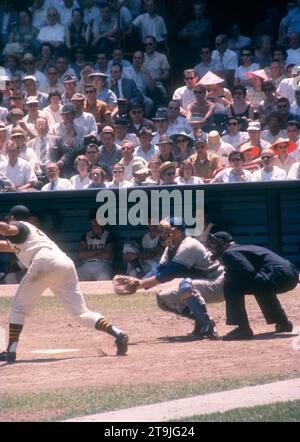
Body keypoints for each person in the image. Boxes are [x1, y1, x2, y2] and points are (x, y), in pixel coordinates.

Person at [0, 205, 128, 363]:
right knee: (81, 313)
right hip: (64, 263)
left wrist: (8, 225)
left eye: (9, 219)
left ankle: (10, 352)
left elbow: (6, 228)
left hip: (44, 262)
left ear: (13, 218)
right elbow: (5, 245)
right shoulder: (29, 235)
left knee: (18, 309)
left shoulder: (19, 225)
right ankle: (118, 333)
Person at [133, 217, 224, 336]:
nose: (162, 233)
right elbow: (160, 269)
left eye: (166, 230)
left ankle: (207, 327)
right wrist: (136, 282)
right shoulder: (171, 247)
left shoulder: (188, 245)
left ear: (177, 231)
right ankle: (202, 319)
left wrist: (139, 285)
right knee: (163, 298)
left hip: (218, 283)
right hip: (205, 282)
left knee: (186, 286)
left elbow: (168, 274)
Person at [206, 231, 299, 340]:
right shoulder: (244, 248)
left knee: (231, 285)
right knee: (260, 285)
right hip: (290, 276)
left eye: (214, 244)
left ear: (224, 243)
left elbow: (247, 271)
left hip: (278, 276)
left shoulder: (229, 253)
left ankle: (242, 328)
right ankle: (283, 323)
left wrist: (229, 277)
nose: (212, 247)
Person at [77, 209, 114, 281]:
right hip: (86, 265)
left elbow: (107, 255)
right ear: (91, 221)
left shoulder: (108, 235)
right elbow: (81, 254)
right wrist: (100, 251)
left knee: (104, 276)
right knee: (77, 275)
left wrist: (89, 254)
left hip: (103, 265)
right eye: (93, 220)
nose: (96, 222)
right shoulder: (86, 236)